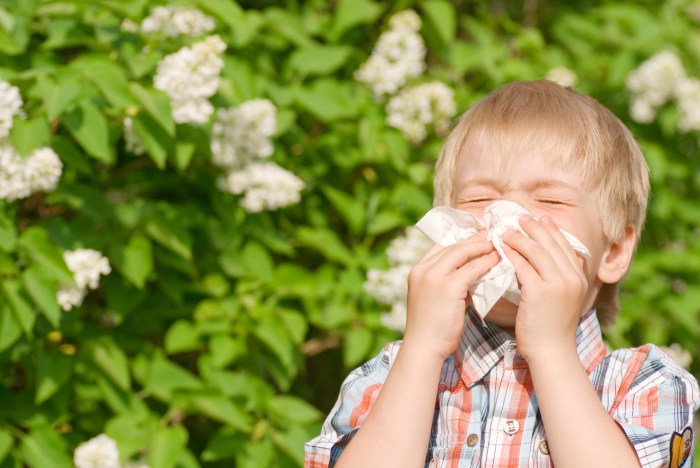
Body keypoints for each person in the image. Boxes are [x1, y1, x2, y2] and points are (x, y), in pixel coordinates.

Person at [304, 80, 700, 467]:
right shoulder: (390, 375)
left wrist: (550, 349)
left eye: (550, 199)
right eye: (480, 198)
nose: (506, 216)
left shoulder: (646, 385)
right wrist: (421, 348)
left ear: (613, 251)